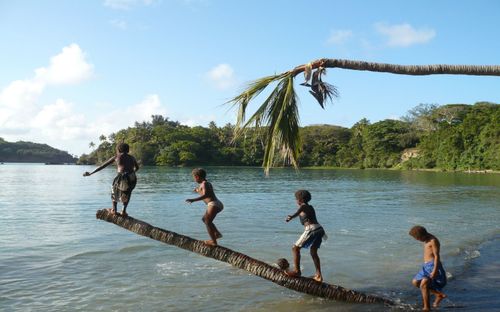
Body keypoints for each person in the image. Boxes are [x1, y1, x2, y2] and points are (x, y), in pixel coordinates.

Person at [83, 143, 139, 217]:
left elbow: (103, 166)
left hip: (122, 176)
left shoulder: (116, 156)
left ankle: (114, 210)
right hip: (132, 177)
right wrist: (131, 173)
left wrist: (91, 173)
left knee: (114, 191)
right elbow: (137, 168)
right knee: (127, 193)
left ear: (119, 150)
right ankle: (123, 211)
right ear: (128, 150)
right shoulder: (132, 157)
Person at [285, 190, 327, 282]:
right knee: (313, 252)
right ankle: (318, 275)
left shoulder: (303, 206)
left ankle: (297, 271)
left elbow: (298, 212)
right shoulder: (310, 207)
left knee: (295, 248)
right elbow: (301, 212)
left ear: (300, 200)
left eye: (296, 199)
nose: (296, 201)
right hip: (319, 229)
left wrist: (291, 217)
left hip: (312, 229)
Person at [409, 225, 447, 311]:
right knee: (415, 282)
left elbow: (437, 256)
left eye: (418, 238)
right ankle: (438, 294)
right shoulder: (426, 238)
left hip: (432, 266)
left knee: (424, 283)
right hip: (426, 266)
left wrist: (434, 270)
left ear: (423, 235)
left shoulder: (433, 241)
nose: (418, 240)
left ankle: (426, 307)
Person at [186, 168, 224, 246]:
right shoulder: (205, 184)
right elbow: (204, 191)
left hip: (213, 204)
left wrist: (193, 200)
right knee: (205, 219)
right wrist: (197, 190)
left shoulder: (204, 184)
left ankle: (214, 241)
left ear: (197, 177)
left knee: (207, 221)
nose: (194, 179)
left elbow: (206, 195)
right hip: (215, 204)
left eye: (194, 177)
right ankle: (216, 233)